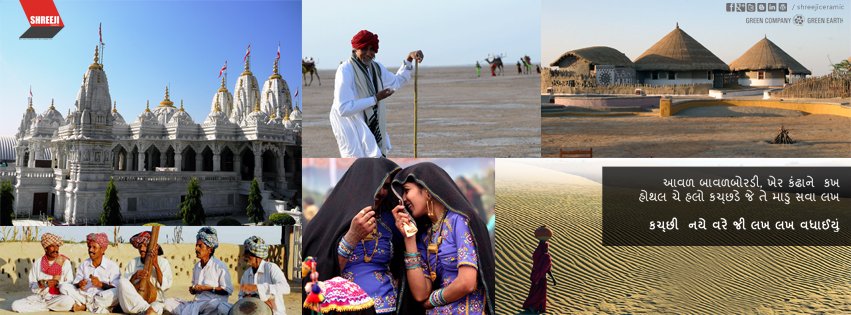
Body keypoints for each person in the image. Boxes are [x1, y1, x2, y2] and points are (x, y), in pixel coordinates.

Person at [301, 158, 406, 314]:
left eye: (386, 186)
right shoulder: (333, 220)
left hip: (389, 307)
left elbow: (401, 265)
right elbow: (318, 276)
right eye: (377, 185)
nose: (382, 192)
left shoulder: (390, 220)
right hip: (348, 310)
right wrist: (351, 238)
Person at [391, 162, 495, 314]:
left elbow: (467, 282)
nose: (404, 199)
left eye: (407, 191)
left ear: (426, 191)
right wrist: (409, 239)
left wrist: (432, 300)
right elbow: (421, 294)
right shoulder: (425, 234)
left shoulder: (459, 221)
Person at [329, 29, 424, 157]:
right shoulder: (345, 70)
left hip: (372, 126)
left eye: (372, 49)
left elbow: (396, 82)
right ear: (356, 49)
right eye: (364, 49)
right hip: (351, 128)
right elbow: (343, 108)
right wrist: (375, 99)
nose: (369, 53)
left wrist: (409, 59)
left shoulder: (376, 68)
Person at [164, 227, 233, 315]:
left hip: (212, 305)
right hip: (197, 304)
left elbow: (228, 290)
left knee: (222, 308)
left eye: (200, 246)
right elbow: (196, 289)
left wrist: (209, 288)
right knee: (168, 302)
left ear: (210, 249)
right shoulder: (197, 266)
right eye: (196, 245)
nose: (196, 248)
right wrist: (194, 290)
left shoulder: (219, 266)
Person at [11, 233, 75, 312]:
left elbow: (70, 283)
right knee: (15, 305)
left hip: (59, 297)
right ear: (45, 248)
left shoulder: (65, 262)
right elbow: (32, 285)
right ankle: (48, 307)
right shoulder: (38, 263)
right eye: (52, 246)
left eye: (57, 246)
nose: (56, 249)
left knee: (68, 301)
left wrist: (57, 284)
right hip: (41, 297)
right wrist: (40, 284)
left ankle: (43, 307)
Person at [60, 232, 121, 313]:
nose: (90, 250)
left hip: (101, 297)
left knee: (118, 292)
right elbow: (75, 284)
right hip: (84, 297)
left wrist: (101, 284)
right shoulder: (84, 265)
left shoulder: (112, 266)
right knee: (63, 287)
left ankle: (85, 307)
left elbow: (115, 288)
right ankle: (96, 308)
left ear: (102, 249)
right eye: (89, 247)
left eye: (94, 247)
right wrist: (79, 284)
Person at [117, 231, 174, 315]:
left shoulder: (163, 262)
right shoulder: (133, 262)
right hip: (135, 300)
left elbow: (166, 286)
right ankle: (145, 309)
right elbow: (126, 287)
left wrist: (156, 265)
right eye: (140, 246)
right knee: (121, 281)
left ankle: (145, 310)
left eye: (145, 246)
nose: (142, 249)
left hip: (156, 301)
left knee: (154, 309)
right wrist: (134, 277)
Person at [238, 236, 290, 315]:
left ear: (257, 256)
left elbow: (285, 288)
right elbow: (240, 296)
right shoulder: (246, 274)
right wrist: (246, 298)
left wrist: (257, 287)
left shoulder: (271, 268)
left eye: (248, 254)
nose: (244, 256)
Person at [521, 226, 555, 314]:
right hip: (540, 279)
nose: (547, 248)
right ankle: (534, 308)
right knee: (538, 295)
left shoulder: (538, 254)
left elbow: (545, 268)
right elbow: (547, 269)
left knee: (534, 293)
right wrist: (553, 279)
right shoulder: (545, 257)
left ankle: (534, 307)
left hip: (535, 277)